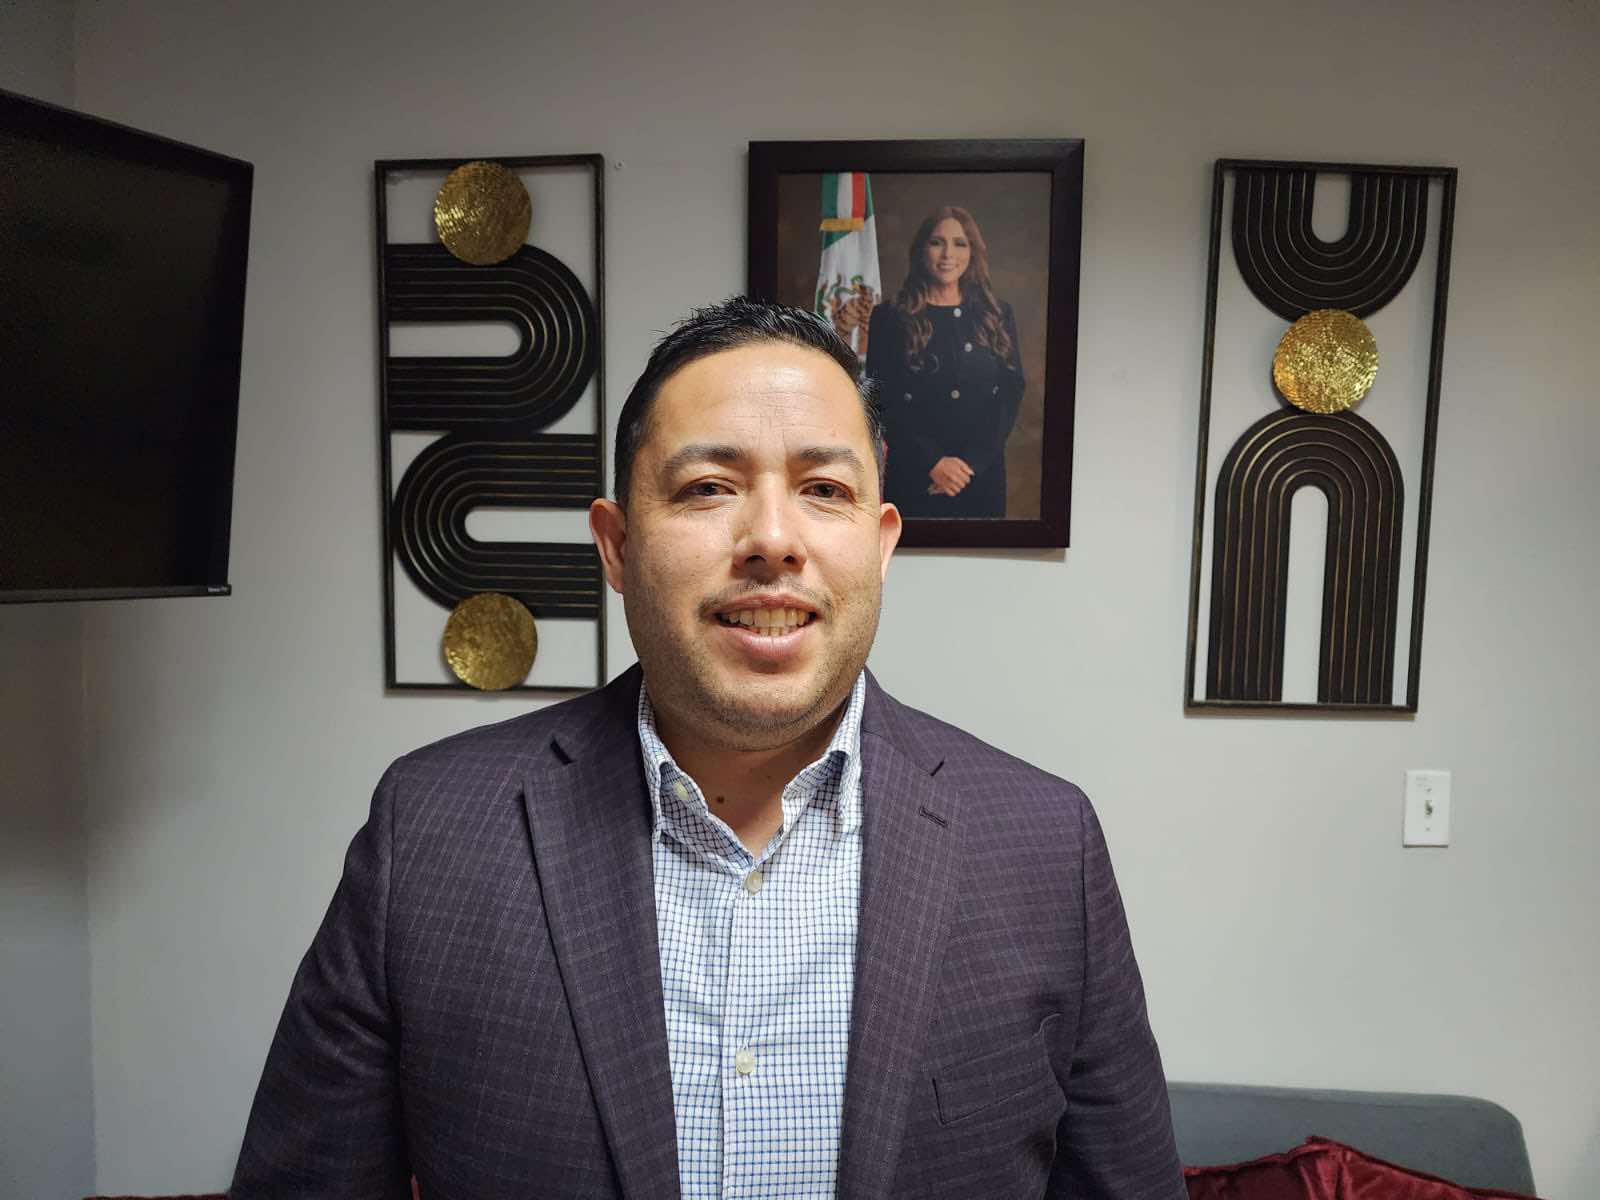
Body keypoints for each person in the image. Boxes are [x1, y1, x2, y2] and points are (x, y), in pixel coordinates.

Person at [231, 297, 1182, 1199]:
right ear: (616, 545)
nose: (772, 539)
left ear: (881, 541)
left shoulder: (1046, 847)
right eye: (708, 488)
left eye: (824, 489)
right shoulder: (431, 833)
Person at [866, 205, 1026, 519]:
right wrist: (933, 463)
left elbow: (1010, 393)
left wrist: (970, 464)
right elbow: (881, 398)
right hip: (915, 475)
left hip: (980, 477)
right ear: (921, 250)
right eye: (937, 242)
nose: (948, 254)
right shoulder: (890, 317)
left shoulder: (996, 314)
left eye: (960, 243)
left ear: (973, 252)